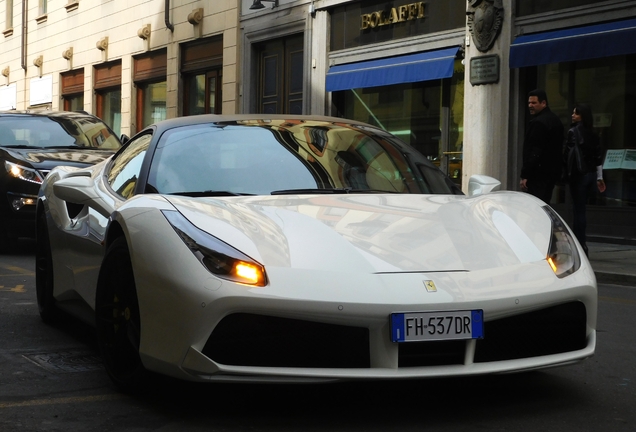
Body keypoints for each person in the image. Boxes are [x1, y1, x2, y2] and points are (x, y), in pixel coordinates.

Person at [564, 103, 606, 256]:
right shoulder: (593, 134)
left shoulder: (573, 132)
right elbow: (598, 157)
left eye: (576, 113)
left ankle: (580, 245)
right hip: (591, 175)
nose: (573, 115)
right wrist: (599, 177)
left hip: (578, 176)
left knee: (578, 211)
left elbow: (568, 156)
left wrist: (565, 174)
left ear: (582, 115)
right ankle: (582, 244)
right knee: (582, 210)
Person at [519, 89, 565, 204]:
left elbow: (535, 151)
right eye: (529, 102)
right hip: (551, 173)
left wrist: (525, 175)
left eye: (534, 103)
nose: (530, 105)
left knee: (535, 207)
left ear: (543, 103)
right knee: (545, 204)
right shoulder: (555, 120)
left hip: (538, 174)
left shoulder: (539, 123)